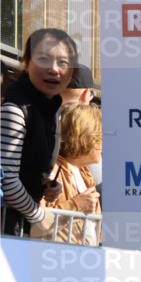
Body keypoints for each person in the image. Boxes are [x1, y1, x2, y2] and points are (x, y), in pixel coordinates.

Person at [2, 28, 79, 236]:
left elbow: (27, 169)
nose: (54, 69)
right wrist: (39, 216)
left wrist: (47, 184)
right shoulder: (14, 110)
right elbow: (6, 182)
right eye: (44, 59)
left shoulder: (51, 110)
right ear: (27, 63)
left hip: (20, 230)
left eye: (63, 62)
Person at [38, 103, 102, 244]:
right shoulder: (52, 172)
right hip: (53, 259)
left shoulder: (86, 175)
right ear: (85, 138)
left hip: (82, 259)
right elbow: (39, 224)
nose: (102, 144)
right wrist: (76, 205)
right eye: (99, 138)